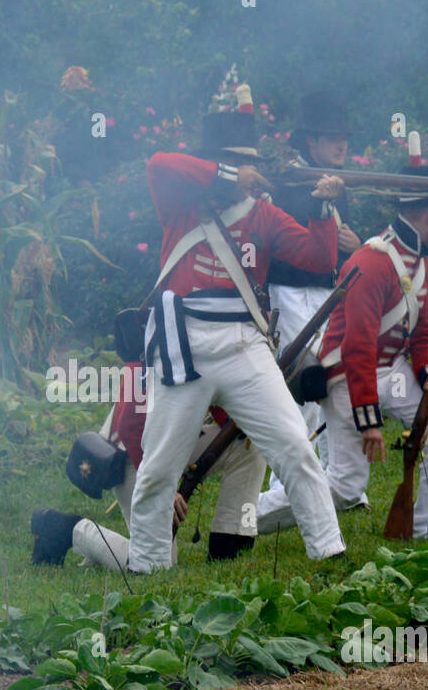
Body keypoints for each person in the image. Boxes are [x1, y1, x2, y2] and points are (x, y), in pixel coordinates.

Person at [125, 84, 347, 574]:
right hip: (182, 345)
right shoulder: (181, 205)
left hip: (244, 346)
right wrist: (228, 176)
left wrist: (324, 207)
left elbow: (319, 257)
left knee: (294, 446)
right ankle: (146, 565)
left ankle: (329, 550)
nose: (247, 177)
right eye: (235, 166)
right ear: (219, 167)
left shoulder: (262, 214)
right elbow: (159, 162)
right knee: (159, 468)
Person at [315, 168, 428, 539]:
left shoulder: (424, 269)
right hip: (349, 379)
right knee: (345, 487)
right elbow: (357, 347)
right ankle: (254, 516)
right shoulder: (370, 263)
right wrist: (369, 421)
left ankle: (426, 526)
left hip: (392, 375)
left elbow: (425, 335)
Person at [256, 91, 367, 534]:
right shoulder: (286, 185)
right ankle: (281, 489)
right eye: (332, 138)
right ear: (312, 142)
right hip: (290, 292)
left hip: (327, 294)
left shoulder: (336, 184)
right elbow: (279, 243)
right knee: (300, 387)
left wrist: (353, 248)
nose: (341, 145)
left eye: (343, 138)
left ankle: (340, 483)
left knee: (329, 381)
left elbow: (343, 247)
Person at [30, 362, 265, 569]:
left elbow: (225, 407)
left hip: (175, 444)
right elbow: (131, 426)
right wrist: (161, 484)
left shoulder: (217, 336)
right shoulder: (149, 338)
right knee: (154, 564)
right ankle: (68, 529)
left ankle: (231, 540)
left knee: (246, 443)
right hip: (132, 456)